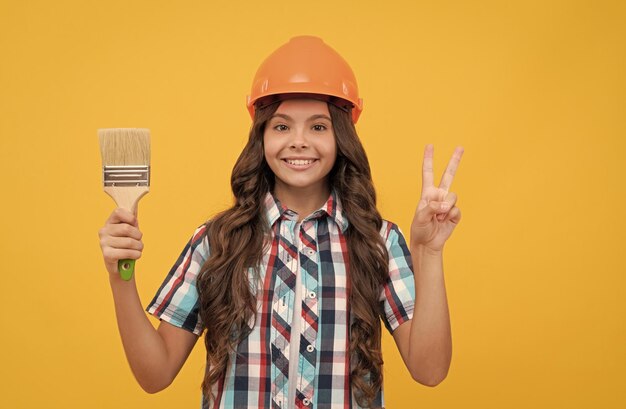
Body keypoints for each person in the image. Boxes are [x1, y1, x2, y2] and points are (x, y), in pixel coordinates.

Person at [98, 35, 464, 409]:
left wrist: (429, 251)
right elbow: (154, 375)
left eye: (319, 127)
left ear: (342, 137)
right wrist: (119, 277)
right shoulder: (217, 240)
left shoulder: (379, 241)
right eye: (282, 126)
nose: (299, 142)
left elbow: (429, 370)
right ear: (262, 136)